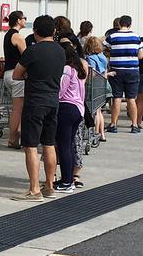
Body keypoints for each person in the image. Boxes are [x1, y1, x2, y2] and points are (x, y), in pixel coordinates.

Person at [11, 16, 64, 202]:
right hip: (53, 100)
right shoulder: (61, 51)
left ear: (35, 32)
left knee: (31, 145)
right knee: (49, 143)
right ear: (54, 31)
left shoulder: (33, 50)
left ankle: (34, 189)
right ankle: (49, 185)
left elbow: (17, 75)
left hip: (35, 101)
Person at [55, 44, 88, 194]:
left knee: (63, 146)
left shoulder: (67, 70)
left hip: (66, 108)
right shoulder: (79, 71)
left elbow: (61, 91)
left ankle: (66, 181)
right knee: (68, 145)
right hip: (78, 109)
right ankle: (68, 179)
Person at [105, 15, 143, 133]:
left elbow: (103, 47)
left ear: (119, 24)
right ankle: (135, 125)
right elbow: (141, 56)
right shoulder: (136, 36)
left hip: (116, 70)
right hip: (132, 70)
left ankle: (113, 124)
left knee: (117, 97)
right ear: (130, 24)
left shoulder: (112, 36)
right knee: (131, 98)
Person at [2, 11, 28, 148]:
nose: (25, 20)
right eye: (24, 18)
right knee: (18, 109)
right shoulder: (17, 36)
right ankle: (13, 139)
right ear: (19, 20)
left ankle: (15, 137)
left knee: (16, 109)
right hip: (17, 76)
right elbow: (27, 56)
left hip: (8, 74)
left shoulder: (8, 35)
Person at [84, 36, 110, 142]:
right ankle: (102, 134)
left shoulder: (90, 58)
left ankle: (95, 131)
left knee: (94, 111)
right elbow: (104, 72)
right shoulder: (103, 57)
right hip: (104, 84)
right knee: (99, 111)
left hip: (94, 85)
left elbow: (92, 73)